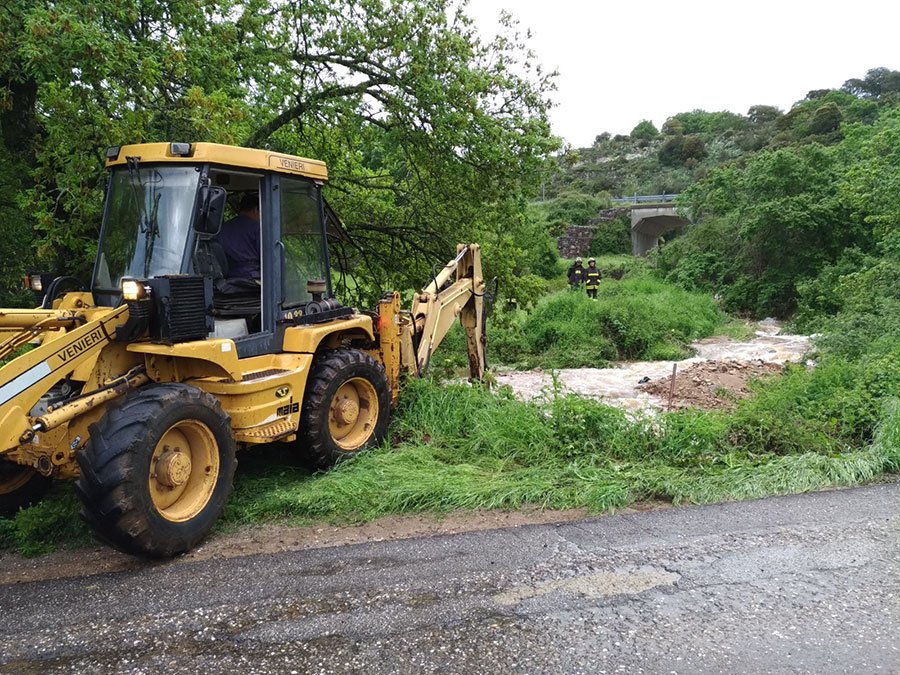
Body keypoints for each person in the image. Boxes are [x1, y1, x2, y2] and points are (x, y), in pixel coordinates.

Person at [217, 192, 260, 279]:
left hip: (229, 276)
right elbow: (266, 256)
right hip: (252, 276)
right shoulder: (257, 228)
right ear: (255, 210)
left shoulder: (223, 228)